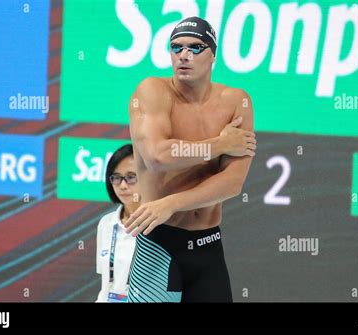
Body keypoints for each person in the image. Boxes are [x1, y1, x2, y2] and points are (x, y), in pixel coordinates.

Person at [124, 16, 256, 302]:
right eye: (176, 47)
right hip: (159, 244)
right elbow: (158, 155)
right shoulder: (153, 92)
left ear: (213, 55)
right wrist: (219, 144)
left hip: (208, 245)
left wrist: (173, 202)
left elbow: (233, 182)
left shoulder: (237, 101)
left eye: (195, 48)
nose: (183, 55)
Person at [96, 144, 140, 302]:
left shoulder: (161, 225)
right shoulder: (106, 224)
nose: (122, 185)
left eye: (131, 177)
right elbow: (106, 285)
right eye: (116, 177)